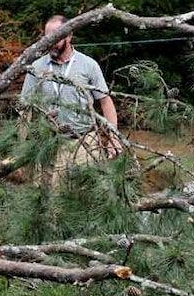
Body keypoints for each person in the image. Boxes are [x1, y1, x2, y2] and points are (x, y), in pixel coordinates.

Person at [20, 15, 120, 183]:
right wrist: (23, 149)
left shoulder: (88, 65)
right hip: (48, 143)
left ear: (69, 36)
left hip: (83, 141)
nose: (51, 42)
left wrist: (114, 137)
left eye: (56, 37)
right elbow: (25, 108)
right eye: (47, 38)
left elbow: (105, 102)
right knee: (48, 199)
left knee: (83, 196)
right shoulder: (37, 67)